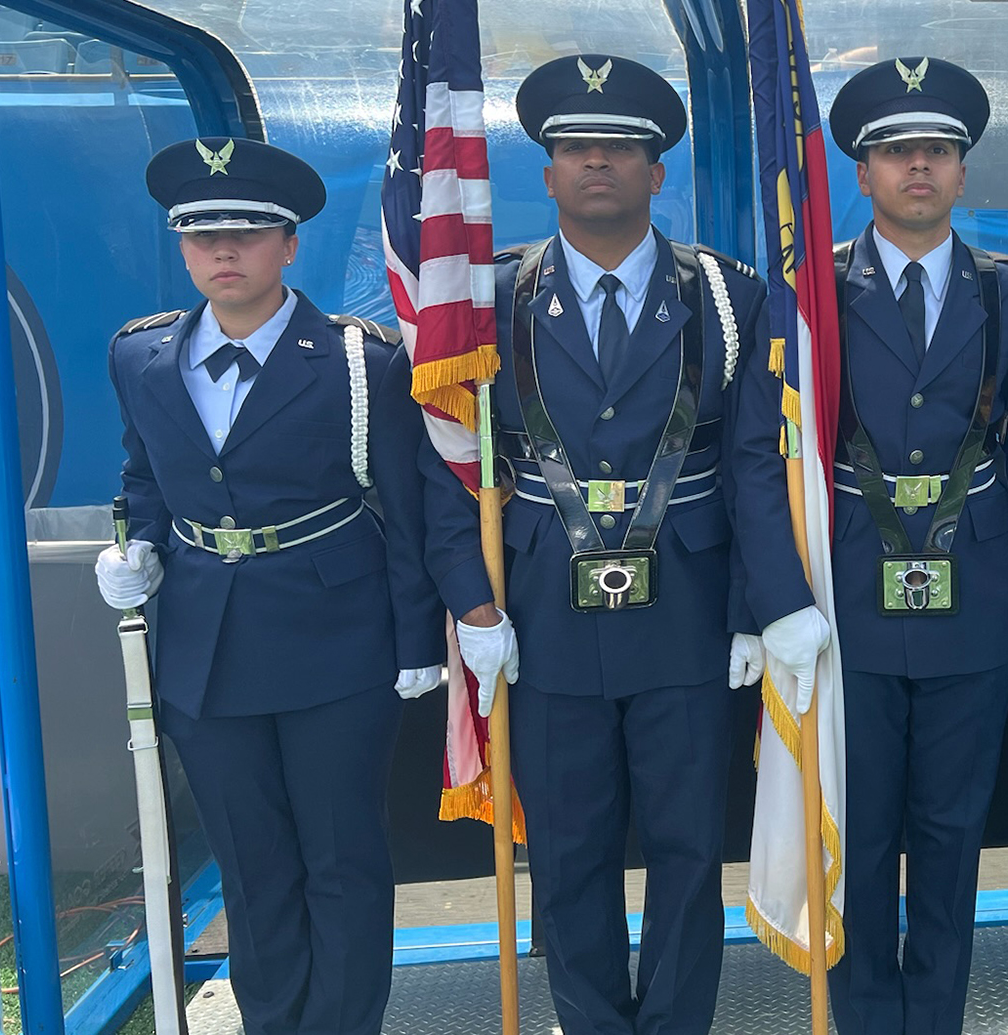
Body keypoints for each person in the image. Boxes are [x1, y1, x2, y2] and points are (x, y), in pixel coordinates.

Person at [422, 54, 818, 1035]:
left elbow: (753, 465)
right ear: (547, 172)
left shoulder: (727, 297)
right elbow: (448, 471)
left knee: (688, 851)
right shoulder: (493, 301)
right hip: (544, 614)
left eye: (621, 147)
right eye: (573, 147)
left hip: (685, 614)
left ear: (657, 171)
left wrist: (762, 612)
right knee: (567, 852)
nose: (597, 160)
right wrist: (475, 605)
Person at [96, 137, 443, 1035]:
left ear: (289, 245)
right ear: (180, 247)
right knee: (251, 862)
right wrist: (134, 547)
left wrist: (417, 642)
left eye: (248, 232)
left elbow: (402, 507)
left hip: (337, 637)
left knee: (341, 857)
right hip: (205, 648)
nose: (224, 251)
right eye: (203, 234)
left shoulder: (362, 363)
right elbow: (145, 474)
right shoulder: (140, 357)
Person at [815, 56, 1008, 1035]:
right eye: (896, 153)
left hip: (973, 591)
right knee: (864, 835)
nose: (917, 167)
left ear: (962, 173)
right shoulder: (816, 292)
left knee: (951, 833)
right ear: (863, 171)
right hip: (853, 596)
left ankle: (934, 1020)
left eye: (936, 151)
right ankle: (866, 1018)